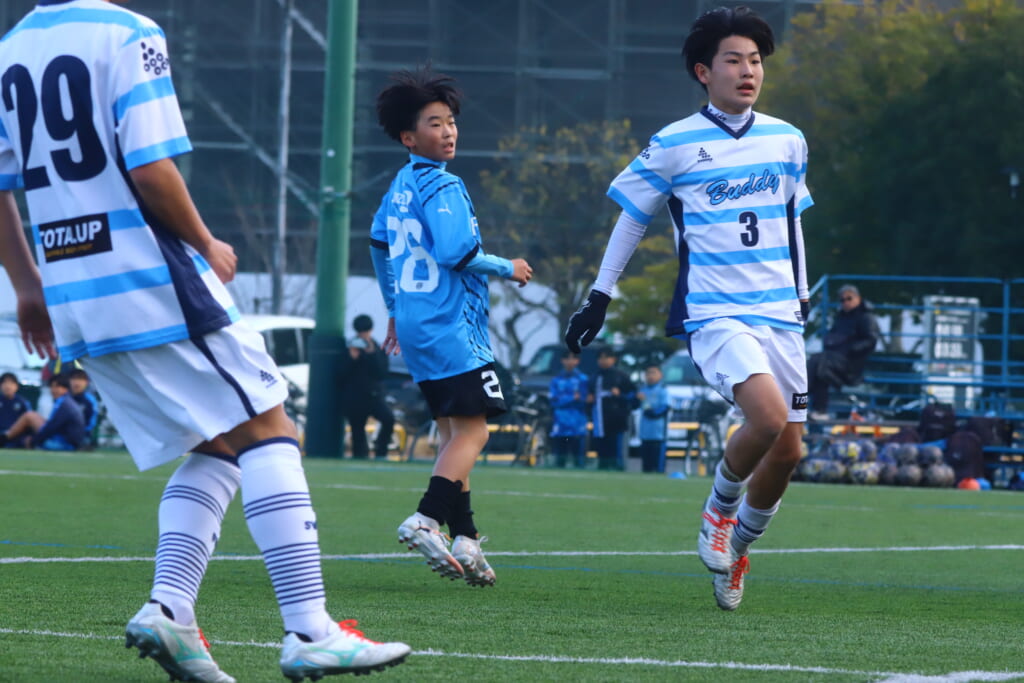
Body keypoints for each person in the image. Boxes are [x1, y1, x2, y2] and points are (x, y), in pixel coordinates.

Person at [0, 3, 409, 681]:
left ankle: (171, 609)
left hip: (76, 297)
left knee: (217, 444)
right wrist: (206, 241)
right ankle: (310, 630)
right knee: (271, 428)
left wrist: (27, 286)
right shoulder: (129, 32)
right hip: (148, 277)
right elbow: (151, 169)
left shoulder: (11, 48)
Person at [565, 6, 812, 611]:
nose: (748, 71)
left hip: (780, 311)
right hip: (716, 312)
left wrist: (803, 295)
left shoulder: (787, 139)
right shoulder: (674, 143)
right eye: (734, 60)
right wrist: (600, 294)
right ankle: (719, 511)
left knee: (789, 452)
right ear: (704, 72)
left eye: (755, 61)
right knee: (766, 419)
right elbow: (633, 219)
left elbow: (792, 221)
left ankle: (739, 548)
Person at [370, 65, 532, 587]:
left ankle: (466, 537)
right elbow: (457, 252)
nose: (448, 132)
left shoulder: (400, 184)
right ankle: (426, 518)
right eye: (434, 123)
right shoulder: (443, 183)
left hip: (416, 324)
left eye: (451, 122)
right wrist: (509, 267)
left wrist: (394, 307)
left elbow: (378, 243)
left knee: (451, 435)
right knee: (475, 431)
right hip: (451, 325)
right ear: (408, 136)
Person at [806, 285, 881, 420]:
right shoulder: (841, 317)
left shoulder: (866, 317)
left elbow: (871, 340)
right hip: (833, 361)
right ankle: (817, 409)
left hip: (851, 364)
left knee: (819, 363)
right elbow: (832, 335)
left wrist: (850, 349)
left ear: (858, 298)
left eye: (849, 298)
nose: (845, 302)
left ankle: (804, 398)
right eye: (842, 300)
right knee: (819, 366)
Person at [345, 314, 394, 459]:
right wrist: (351, 358)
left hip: (374, 396)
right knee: (357, 430)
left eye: (365, 331)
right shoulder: (350, 347)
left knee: (388, 419)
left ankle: (381, 452)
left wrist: (372, 353)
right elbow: (340, 373)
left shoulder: (377, 347)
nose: (363, 335)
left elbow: (382, 373)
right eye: (361, 332)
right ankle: (360, 456)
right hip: (355, 397)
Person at [0, 374, 85, 450]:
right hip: (66, 441)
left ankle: (4, 439)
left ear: (65, 389)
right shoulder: (65, 401)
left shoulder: (64, 403)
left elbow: (52, 427)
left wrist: (34, 440)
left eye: (57, 387)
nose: (54, 390)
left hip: (65, 444)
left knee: (29, 418)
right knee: (30, 417)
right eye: (52, 387)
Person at [586, 347, 636, 471]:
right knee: (601, 449)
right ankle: (602, 467)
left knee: (616, 449)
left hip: (617, 421)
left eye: (606, 358)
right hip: (600, 421)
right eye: (600, 358)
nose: (603, 361)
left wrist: (620, 395)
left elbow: (633, 396)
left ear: (613, 359)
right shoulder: (595, 376)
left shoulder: (621, 376)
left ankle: (618, 468)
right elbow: (590, 395)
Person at [548, 350, 589, 468]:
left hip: (577, 424)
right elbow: (553, 401)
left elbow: (585, 399)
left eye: (573, 358)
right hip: (560, 424)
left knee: (578, 460)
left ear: (577, 361)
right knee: (560, 459)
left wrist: (567, 399)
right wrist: (572, 398)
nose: (570, 361)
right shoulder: (556, 380)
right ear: (562, 360)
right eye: (567, 358)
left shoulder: (583, 379)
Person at [637, 364, 669, 473]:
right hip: (645, 434)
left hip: (658, 435)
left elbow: (664, 408)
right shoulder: (643, 390)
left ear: (660, 375)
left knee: (658, 467)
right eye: (648, 373)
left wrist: (650, 412)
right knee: (646, 467)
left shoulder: (663, 390)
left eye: (653, 373)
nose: (650, 376)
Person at [0, 372, 33, 445]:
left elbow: (29, 422)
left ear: (17, 386)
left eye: (11, 383)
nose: (8, 386)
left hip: (16, 436)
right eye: (5, 383)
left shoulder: (23, 402)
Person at [68, 368, 100, 442]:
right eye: (74, 378)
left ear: (87, 382)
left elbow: (91, 422)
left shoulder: (90, 400)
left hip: (82, 436)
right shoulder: (64, 398)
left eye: (81, 379)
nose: (77, 382)